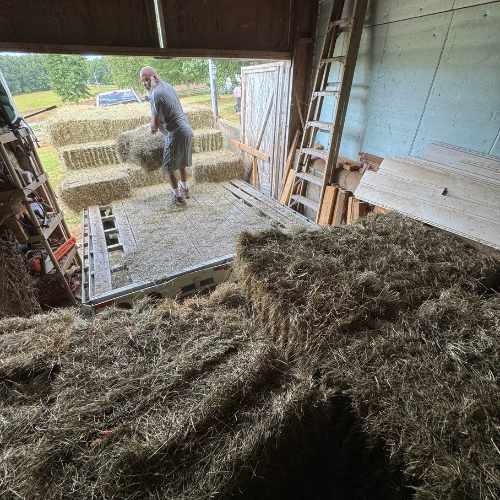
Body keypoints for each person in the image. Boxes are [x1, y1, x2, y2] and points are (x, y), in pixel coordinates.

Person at [140, 66, 192, 209]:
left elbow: (155, 124)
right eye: (142, 81)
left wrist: (149, 132)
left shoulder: (156, 94)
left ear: (154, 78)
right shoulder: (168, 86)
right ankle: (185, 189)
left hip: (175, 133)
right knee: (180, 163)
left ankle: (178, 199)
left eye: (146, 80)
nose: (144, 84)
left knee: (168, 168)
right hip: (186, 130)